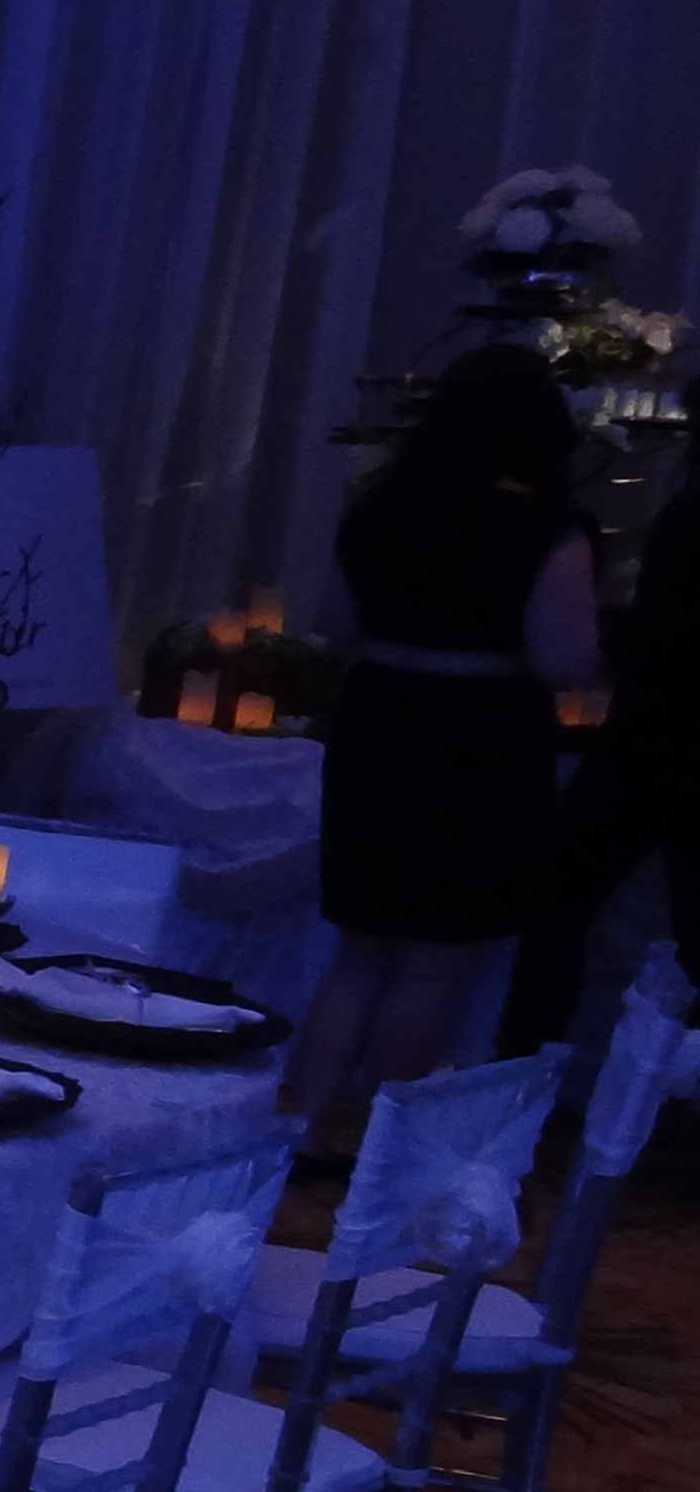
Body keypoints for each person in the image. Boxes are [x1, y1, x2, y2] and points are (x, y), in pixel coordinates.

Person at [276, 345, 601, 1138]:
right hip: (481, 737)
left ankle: (298, 1125)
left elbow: (334, 625)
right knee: (433, 960)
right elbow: (566, 661)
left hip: (379, 719)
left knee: (361, 950)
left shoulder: (384, 507)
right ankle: (384, 1144)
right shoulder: (546, 530)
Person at [502, 461, 700, 1051]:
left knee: (559, 903)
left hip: (647, 738)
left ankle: (523, 1058)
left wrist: (607, 631)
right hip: (652, 736)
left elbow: (665, 635)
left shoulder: (686, 516)